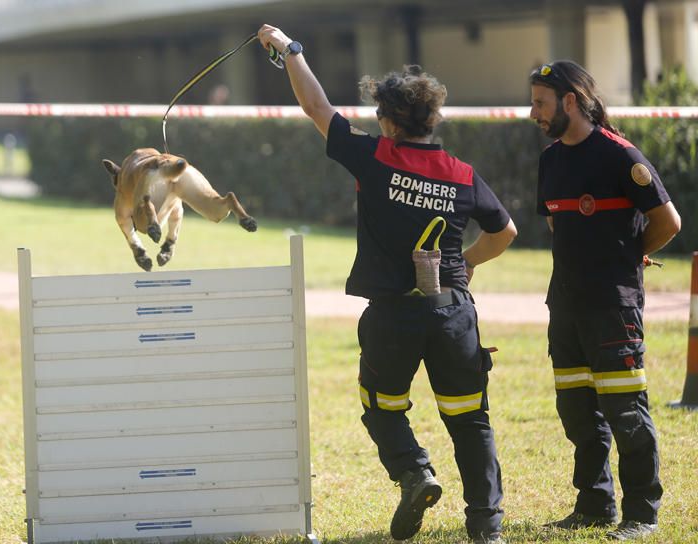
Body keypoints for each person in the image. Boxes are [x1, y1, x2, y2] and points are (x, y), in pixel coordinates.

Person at [258, 24, 517, 544]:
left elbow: (316, 107)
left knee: (382, 407)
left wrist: (290, 49)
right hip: (452, 313)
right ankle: (486, 526)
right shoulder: (462, 173)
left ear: (392, 122)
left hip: (393, 316)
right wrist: (463, 265)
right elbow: (505, 230)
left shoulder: (375, 157)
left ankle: (414, 472)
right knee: (470, 420)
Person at [529, 60, 681, 541]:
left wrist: (626, 257)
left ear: (569, 101)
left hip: (613, 305)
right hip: (565, 305)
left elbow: (668, 221)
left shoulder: (620, 155)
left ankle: (642, 514)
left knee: (626, 412)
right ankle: (594, 504)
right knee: (577, 410)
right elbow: (557, 224)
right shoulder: (551, 160)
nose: (533, 111)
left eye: (540, 102)